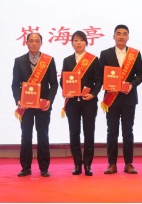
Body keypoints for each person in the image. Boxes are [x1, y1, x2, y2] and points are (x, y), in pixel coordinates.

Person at [99, 25, 142, 175]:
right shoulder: (105, 54)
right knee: (112, 131)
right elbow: (100, 75)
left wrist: (131, 84)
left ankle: (128, 163)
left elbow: (141, 74)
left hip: (128, 98)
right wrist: (107, 85)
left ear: (128, 37)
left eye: (124, 34)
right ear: (114, 36)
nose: (121, 36)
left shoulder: (135, 54)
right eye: (118, 34)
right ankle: (111, 163)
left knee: (127, 132)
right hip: (111, 99)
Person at [11, 32, 58, 178]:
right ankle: (26, 167)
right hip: (25, 106)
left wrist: (50, 100)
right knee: (26, 136)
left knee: (43, 135)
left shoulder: (48, 60)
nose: (34, 44)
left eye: (37, 41)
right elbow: (15, 85)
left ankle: (44, 168)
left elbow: (54, 84)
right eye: (31, 41)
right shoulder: (19, 61)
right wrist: (18, 100)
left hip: (43, 105)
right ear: (26, 43)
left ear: (41, 43)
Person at [61, 31, 102, 176]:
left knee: (89, 133)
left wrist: (93, 94)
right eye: (76, 40)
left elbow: (99, 80)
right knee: (74, 133)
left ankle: (88, 164)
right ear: (72, 43)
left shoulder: (93, 60)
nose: (78, 43)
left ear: (86, 42)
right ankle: (77, 164)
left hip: (88, 101)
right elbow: (63, 81)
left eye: (81, 40)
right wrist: (66, 91)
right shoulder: (67, 60)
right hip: (72, 103)